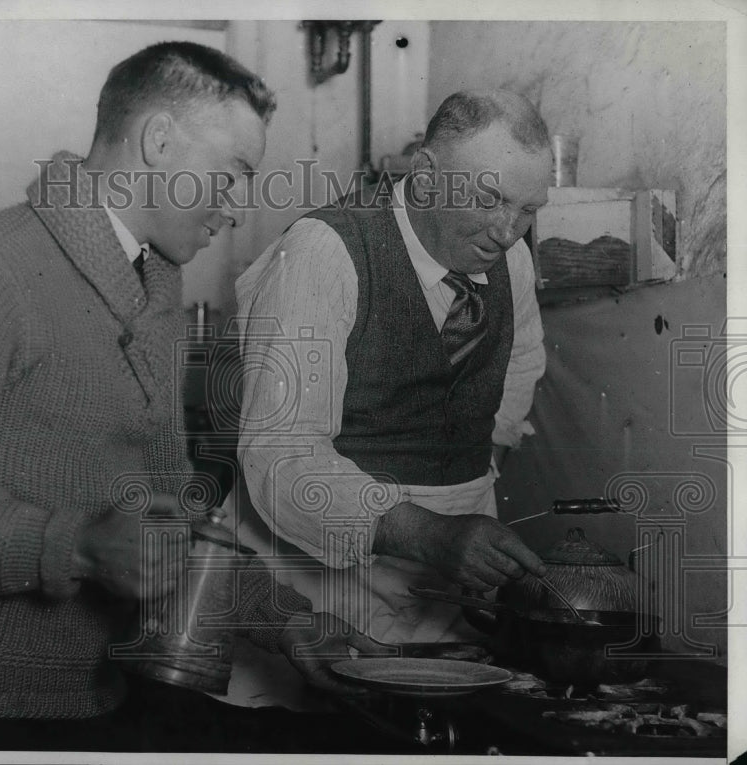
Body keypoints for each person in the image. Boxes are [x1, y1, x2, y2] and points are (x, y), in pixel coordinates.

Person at [0, 41, 385, 753]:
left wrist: (286, 619)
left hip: (94, 699)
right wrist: (77, 547)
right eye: (232, 173)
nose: (236, 206)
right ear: (158, 141)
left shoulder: (152, 285)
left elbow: (171, 526)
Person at [232, 90, 552, 673]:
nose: (508, 231)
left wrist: (465, 487)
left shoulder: (513, 261)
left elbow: (518, 374)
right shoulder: (323, 252)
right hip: (315, 592)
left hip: (442, 604)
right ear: (427, 176)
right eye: (490, 199)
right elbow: (282, 456)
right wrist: (431, 532)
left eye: (529, 210)